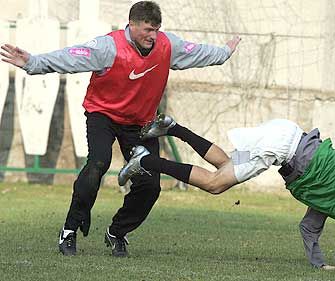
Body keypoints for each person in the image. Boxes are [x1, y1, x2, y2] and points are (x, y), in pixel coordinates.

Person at [0, 1, 241, 257]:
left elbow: (199, 52)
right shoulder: (108, 46)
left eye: (156, 29)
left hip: (140, 124)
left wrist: (224, 53)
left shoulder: (167, 45)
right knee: (98, 165)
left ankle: (117, 231)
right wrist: (33, 62)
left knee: (150, 187)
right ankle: (70, 228)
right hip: (103, 115)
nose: (152, 35)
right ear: (132, 24)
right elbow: (70, 57)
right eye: (147, 29)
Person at [119, 114, 335, 274]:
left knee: (225, 164)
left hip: (284, 135)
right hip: (280, 147)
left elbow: (309, 226)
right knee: (215, 184)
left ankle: (173, 127)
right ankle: (144, 161)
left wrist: (320, 265)